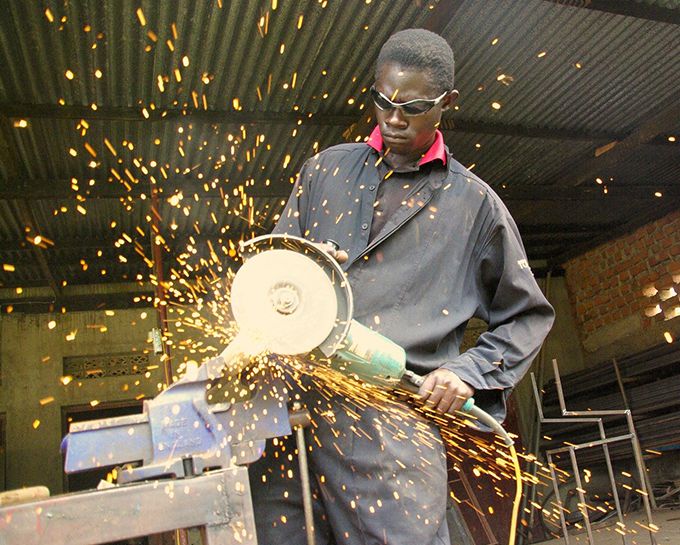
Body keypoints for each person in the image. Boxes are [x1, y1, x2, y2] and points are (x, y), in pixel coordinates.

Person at [248, 28, 555, 545]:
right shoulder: (324, 171)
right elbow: (272, 275)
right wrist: (304, 269)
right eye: (383, 101)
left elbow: (526, 315)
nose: (393, 119)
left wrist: (468, 373)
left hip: (390, 425)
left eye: (412, 107)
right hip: (290, 414)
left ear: (446, 104)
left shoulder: (474, 206)